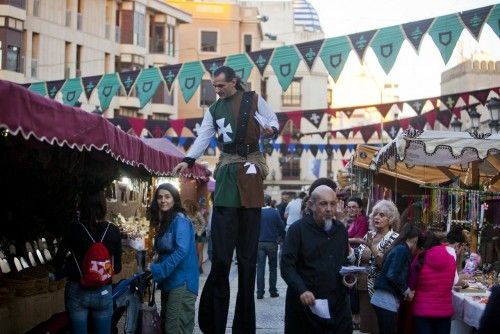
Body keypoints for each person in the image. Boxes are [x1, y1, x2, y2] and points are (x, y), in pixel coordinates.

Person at [172, 65, 279, 334]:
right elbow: (204, 137)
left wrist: (269, 130)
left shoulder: (254, 99)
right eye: (214, 86)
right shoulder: (214, 109)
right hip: (228, 173)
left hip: (251, 174)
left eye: (220, 86)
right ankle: (214, 322)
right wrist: (188, 160)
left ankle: (244, 327)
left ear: (234, 82)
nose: (217, 91)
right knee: (220, 259)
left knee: (247, 261)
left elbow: (274, 121)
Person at [281, 185, 355, 334]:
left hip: (337, 305)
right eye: (323, 204)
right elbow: (287, 265)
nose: (329, 209)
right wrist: (302, 290)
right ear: (311, 205)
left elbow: (344, 261)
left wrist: (349, 275)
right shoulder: (297, 230)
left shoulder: (340, 230)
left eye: (332, 204)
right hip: (307, 306)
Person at [56, 191, 122, 334]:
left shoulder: (73, 228)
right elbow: (117, 268)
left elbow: (58, 261)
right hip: (104, 291)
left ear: (81, 206)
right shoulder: (113, 230)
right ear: (103, 206)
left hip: (77, 290)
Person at [148, 183, 199, 334]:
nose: (163, 200)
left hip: (182, 282)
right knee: (167, 327)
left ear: (175, 199)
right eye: (159, 197)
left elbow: (181, 251)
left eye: (167, 197)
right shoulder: (167, 220)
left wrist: (157, 269)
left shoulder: (180, 220)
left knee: (175, 328)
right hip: (170, 281)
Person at [354, 199, 400, 334]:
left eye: (382, 215)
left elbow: (385, 263)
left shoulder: (395, 238)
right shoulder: (370, 235)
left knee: (379, 326)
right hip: (362, 286)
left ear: (390, 219)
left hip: (379, 288)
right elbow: (355, 257)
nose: (377, 217)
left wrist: (372, 247)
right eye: (375, 214)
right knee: (367, 327)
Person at [370, 223, 421, 334]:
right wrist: (406, 291)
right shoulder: (402, 250)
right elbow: (393, 275)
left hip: (383, 299)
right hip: (385, 300)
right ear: (415, 239)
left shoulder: (399, 248)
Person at [408, 231, 456, 334]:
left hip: (422, 310)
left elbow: (411, 284)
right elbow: (452, 282)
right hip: (444, 310)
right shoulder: (451, 260)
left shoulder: (420, 258)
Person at [343, 197, 368, 330]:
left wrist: (346, 238)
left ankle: (356, 318)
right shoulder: (353, 221)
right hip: (350, 254)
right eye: (349, 207)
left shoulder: (362, 220)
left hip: (357, 256)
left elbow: (361, 239)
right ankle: (353, 316)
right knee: (350, 286)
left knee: (354, 287)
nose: (351, 209)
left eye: (354, 207)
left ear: (360, 208)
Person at [256, 195, 285, 299]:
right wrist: (281, 237)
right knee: (273, 268)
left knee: (260, 268)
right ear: (270, 202)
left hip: (259, 243)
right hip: (272, 243)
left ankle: (259, 292)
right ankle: (273, 291)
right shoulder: (274, 212)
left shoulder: (257, 212)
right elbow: (282, 226)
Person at [184, 199, 207, 273]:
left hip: (200, 234)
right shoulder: (185, 215)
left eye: (185, 205)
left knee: (198, 252)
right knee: (193, 252)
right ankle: (197, 267)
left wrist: (199, 232)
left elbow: (203, 223)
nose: (184, 207)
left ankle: (198, 268)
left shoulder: (197, 213)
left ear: (189, 206)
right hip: (191, 235)